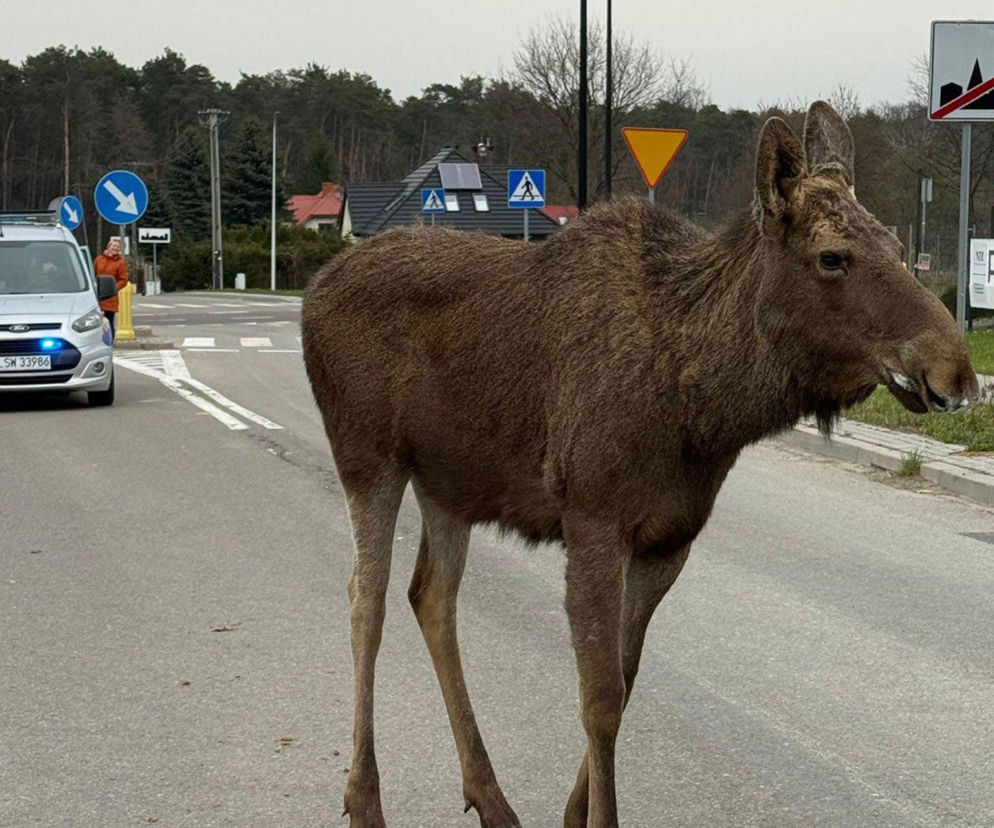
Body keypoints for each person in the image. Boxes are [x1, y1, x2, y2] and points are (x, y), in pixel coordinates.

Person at [93, 238, 129, 338]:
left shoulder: (120, 263)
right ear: (108, 247)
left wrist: (113, 288)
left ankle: (110, 342)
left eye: (118, 247)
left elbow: (123, 280)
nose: (115, 248)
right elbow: (93, 274)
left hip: (110, 298)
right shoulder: (99, 259)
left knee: (109, 322)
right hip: (97, 296)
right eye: (114, 246)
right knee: (95, 323)